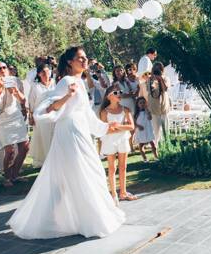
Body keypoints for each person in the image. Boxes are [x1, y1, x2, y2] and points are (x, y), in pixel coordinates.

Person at [8, 46, 125, 239]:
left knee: (88, 170)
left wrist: (104, 127)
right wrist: (67, 96)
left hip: (81, 131)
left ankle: (81, 218)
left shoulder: (79, 81)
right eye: (80, 58)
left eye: (85, 57)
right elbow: (49, 106)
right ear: (70, 61)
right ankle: (85, 219)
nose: (84, 60)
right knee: (81, 171)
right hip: (69, 132)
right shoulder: (67, 82)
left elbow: (86, 113)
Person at [0, 62, 29, 187]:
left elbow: (23, 100)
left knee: (25, 146)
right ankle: (7, 177)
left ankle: (15, 174)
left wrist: (16, 91)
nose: (2, 70)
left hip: (16, 116)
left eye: (4, 67)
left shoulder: (15, 81)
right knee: (9, 150)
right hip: (3, 119)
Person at [99, 84, 137, 202]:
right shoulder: (104, 112)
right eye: (116, 93)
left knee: (123, 166)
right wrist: (118, 128)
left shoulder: (125, 110)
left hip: (123, 139)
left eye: (120, 92)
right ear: (109, 97)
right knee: (111, 167)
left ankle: (123, 192)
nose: (119, 94)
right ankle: (114, 194)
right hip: (110, 141)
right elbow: (105, 130)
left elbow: (131, 126)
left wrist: (117, 126)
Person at [28, 63, 56, 167]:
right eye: (43, 72)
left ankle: (55, 160)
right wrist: (31, 117)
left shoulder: (55, 83)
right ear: (39, 74)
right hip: (40, 116)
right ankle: (45, 162)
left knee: (54, 137)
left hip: (54, 115)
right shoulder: (35, 86)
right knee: (43, 138)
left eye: (47, 71)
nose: (46, 74)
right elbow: (31, 102)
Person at [147, 62, 171, 142]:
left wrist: (160, 79)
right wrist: (154, 80)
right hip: (154, 106)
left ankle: (167, 143)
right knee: (155, 128)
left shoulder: (166, 78)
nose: (157, 71)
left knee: (165, 128)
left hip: (164, 106)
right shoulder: (150, 79)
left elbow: (165, 89)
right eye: (156, 69)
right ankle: (156, 145)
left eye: (159, 69)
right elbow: (151, 91)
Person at [133, 97, 157, 162]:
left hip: (148, 129)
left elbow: (149, 118)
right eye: (140, 103)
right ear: (137, 104)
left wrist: (147, 111)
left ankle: (156, 156)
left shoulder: (148, 112)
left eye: (144, 102)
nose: (142, 104)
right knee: (141, 145)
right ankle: (145, 158)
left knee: (152, 144)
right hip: (140, 130)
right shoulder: (136, 113)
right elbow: (134, 122)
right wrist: (138, 126)